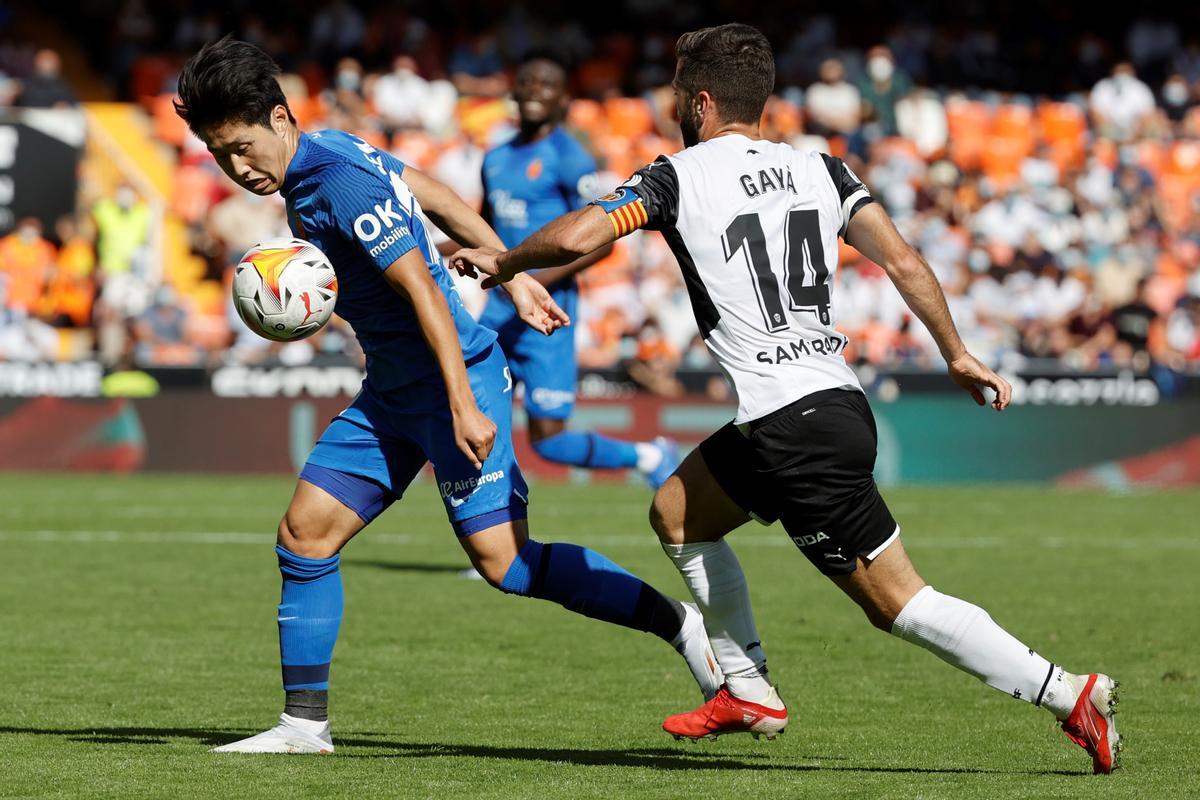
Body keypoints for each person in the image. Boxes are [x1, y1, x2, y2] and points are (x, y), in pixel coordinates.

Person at [452, 23, 1121, 774]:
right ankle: (746, 686)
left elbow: (582, 236)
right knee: (678, 510)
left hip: (789, 428)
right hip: (826, 402)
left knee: (898, 603)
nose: (677, 108)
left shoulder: (678, 175)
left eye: (680, 96)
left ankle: (1069, 693)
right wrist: (957, 353)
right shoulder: (822, 169)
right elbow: (901, 259)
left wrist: (505, 262)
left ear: (701, 102)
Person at [173, 36, 720, 755]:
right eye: (220, 155)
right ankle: (304, 727)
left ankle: (678, 623)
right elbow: (429, 192)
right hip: (392, 394)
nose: (238, 168)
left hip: (453, 378)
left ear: (280, 119)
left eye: (243, 145)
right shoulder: (328, 154)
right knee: (305, 535)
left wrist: (463, 403)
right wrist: (512, 271)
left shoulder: (338, 180)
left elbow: (424, 289)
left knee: (508, 565)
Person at [479, 50, 681, 487]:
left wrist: (535, 281)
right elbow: (480, 227)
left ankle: (648, 454)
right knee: (479, 423)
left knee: (549, 441)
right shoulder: (493, 158)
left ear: (563, 99)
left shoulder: (570, 157)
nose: (535, 90)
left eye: (546, 84)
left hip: (549, 311)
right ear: (514, 92)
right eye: (528, 82)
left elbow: (602, 241)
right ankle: (497, 549)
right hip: (498, 309)